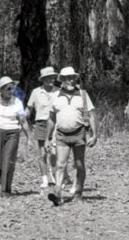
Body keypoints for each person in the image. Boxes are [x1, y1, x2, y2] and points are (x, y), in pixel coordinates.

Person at [48, 67, 98, 206]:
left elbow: (92, 115)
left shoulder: (82, 94)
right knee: (60, 164)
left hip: (79, 133)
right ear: (62, 80)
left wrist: (94, 135)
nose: (70, 80)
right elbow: (51, 118)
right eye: (66, 77)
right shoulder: (55, 96)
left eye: (72, 77)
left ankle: (78, 192)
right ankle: (57, 194)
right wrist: (47, 138)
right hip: (61, 135)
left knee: (79, 164)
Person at [0, 77, 33, 196]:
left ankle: (5, 190)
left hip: (13, 132)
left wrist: (30, 138)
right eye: (8, 88)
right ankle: (4, 182)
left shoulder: (17, 101)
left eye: (12, 88)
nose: (10, 90)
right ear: (1, 89)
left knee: (7, 160)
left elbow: (23, 120)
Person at [26, 67, 59, 190]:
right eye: (48, 78)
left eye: (53, 77)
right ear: (43, 80)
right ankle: (44, 178)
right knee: (42, 153)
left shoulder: (59, 91)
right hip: (40, 123)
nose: (51, 80)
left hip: (55, 124)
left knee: (54, 152)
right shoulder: (36, 92)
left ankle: (55, 174)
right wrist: (21, 120)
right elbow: (29, 109)